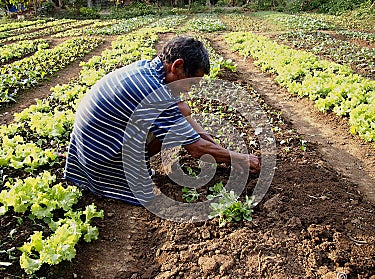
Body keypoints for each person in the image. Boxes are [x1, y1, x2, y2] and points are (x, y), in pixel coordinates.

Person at [65, 36, 260, 205]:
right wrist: (239, 158)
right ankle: (121, 179)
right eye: (190, 83)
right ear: (177, 66)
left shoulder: (149, 71)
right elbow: (195, 148)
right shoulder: (152, 92)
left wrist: (214, 145)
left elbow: (188, 125)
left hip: (87, 152)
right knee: (174, 129)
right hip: (100, 163)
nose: (188, 90)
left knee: (180, 113)